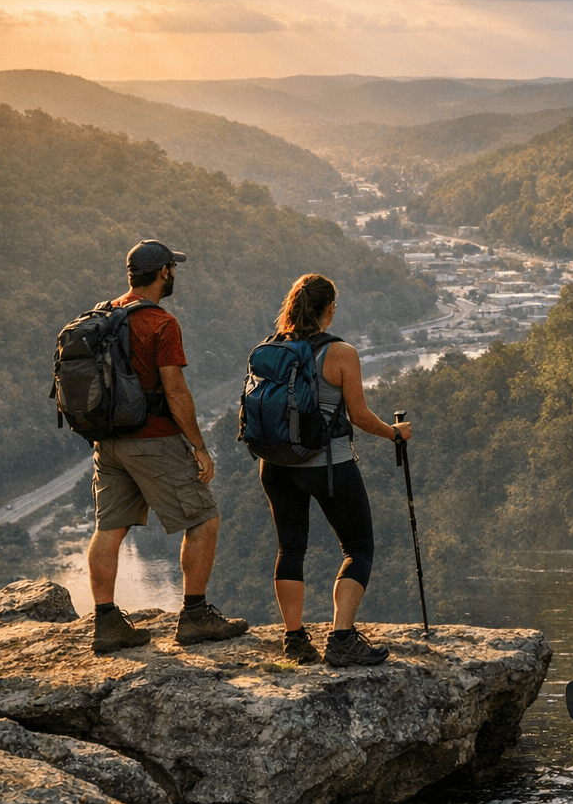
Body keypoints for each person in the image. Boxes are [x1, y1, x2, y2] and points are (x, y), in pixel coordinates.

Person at [89, 240, 250, 653]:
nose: (174, 274)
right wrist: (199, 447)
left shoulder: (104, 314)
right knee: (204, 519)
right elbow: (175, 391)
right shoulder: (161, 323)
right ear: (163, 273)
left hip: (108, 442)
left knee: (109, 528)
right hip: (153, 440)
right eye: (172, 268)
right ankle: (194, 616)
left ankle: (106, 623)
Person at [258, 274, 413, 667]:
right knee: (358, 548)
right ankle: (341, 637)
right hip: (327, 465)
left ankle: (294, 639)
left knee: (290, 548)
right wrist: (394, 433)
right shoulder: (341, 352)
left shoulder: (272, 347)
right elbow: (359, 415)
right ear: (330, 309)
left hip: (275, 465)